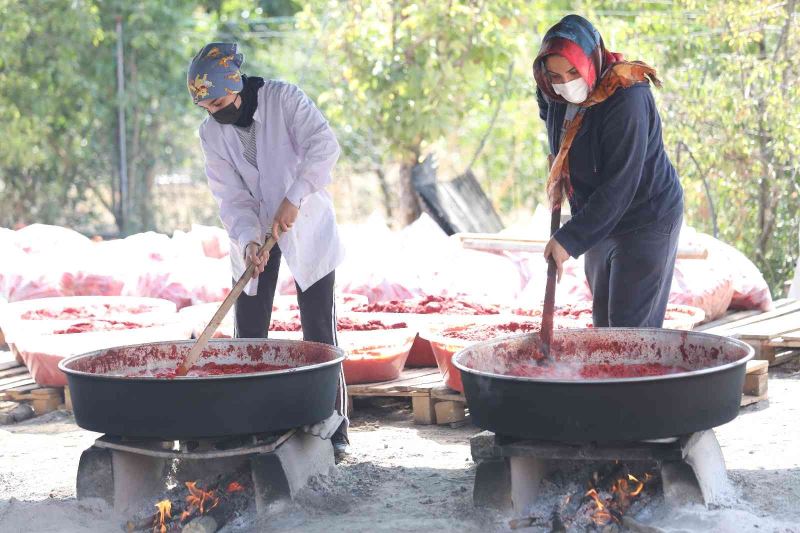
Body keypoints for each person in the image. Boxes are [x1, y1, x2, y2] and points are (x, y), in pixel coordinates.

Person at [187, 42, 348, 455]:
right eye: (207, 108)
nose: (215, 112)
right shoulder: (210, 133)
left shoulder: (284, 99)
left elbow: (324, 147)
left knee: (318, 335)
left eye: (219, 102)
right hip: (256, 232)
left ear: (236, 85)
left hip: (305, 222)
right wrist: (248, 240)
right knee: (249, 334)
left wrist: (294, 197)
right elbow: (230, 197)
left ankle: (335, 430)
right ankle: (249, 427)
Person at [533, 15, 684, 328]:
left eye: (574, 71)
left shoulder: (627, 97)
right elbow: (551, 118)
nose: (565, 83)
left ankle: (641, 377)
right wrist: (563, 164)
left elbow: (620, 186)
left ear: (593, 58)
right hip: (598, 216)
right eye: (556, 75)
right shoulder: (553, 91)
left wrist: (568, 240)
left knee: (630, 332)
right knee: (605, 329)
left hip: (645, 216)